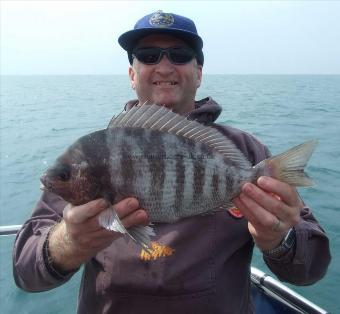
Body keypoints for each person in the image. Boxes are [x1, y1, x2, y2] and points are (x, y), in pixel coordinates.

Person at [13, 10, 330, 314]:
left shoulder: (246, 152)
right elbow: (25, 271)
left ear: (199, 73)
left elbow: (312, 267)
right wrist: (68, 242)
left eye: (179, 54)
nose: (164, 67)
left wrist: (281, 240)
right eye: (148, 55)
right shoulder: (93, 154)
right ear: (131, 74)